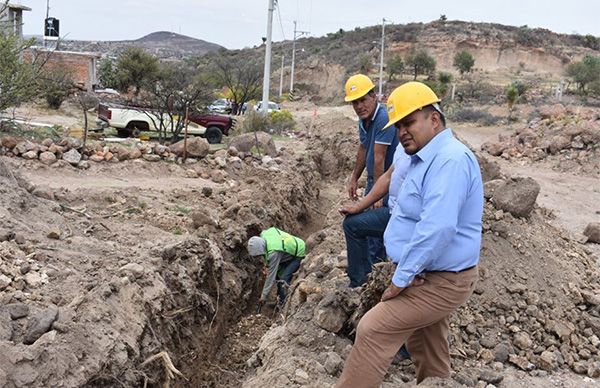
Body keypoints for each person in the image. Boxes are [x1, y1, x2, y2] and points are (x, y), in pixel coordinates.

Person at [336, 82, 484, 387]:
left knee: (373, 329)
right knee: (425, 339)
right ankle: (435, 382)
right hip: (428, 271)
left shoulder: (449, 160)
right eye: (398, 125)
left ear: (434, 119)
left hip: (441, 279)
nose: (402, 132)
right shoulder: (423, 155)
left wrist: (401, 277)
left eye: (409, 122)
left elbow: (437, 228)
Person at [344, 74, 399, 286]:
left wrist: (378, 193)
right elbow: (363, 148)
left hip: (386, 183)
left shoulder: (384, 118)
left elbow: (379, 158)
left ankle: (375, 279)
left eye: (363, 100)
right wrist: (354, 178)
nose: (359, 106)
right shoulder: (364, 120)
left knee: (376, 233)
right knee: (365, 230)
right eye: (355, 102)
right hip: (374, 182)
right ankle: (366, 276)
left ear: (374, 96)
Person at [247, 227, 305, 313]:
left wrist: (264, 296)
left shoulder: (273, 253)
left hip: (298, 253)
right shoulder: (264, 235)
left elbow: (271, 276)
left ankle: (285, 307)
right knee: (278, 275)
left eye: (259, 255)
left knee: (283, 280)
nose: (258, 257)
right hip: (286, 251)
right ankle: (279, 300)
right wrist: (267, 265)